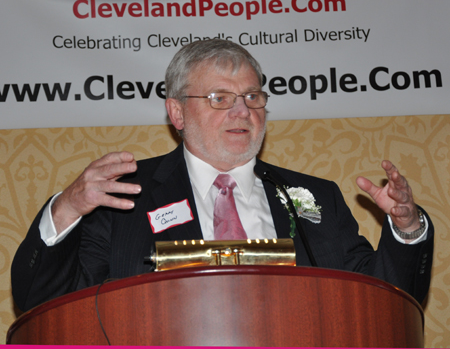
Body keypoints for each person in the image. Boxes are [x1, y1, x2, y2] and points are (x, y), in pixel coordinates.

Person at [12, 39, 433, 312]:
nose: (242, 111)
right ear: (177, 112)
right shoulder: (126, 196)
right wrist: (66, 207)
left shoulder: (314, 197)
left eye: (253, 96)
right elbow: (46, 303)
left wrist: (407, 227)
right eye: (219, 98)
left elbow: (381, 304)